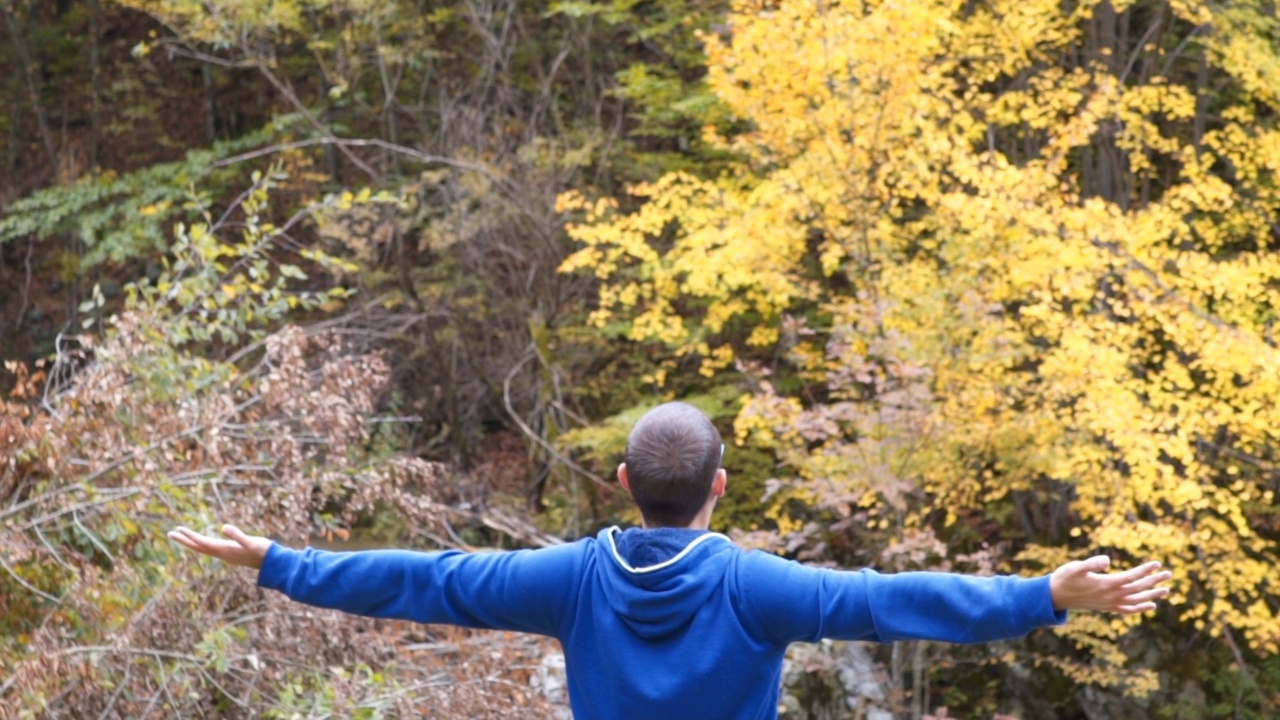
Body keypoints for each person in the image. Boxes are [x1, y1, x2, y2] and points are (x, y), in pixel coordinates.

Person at [168, 401, 1172, 720]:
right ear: (719, 488)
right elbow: (891, 602)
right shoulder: (757, 588)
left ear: (620, 480)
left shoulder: (567, 579)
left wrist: (282, 560)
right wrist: (1043, 593)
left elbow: (428, 577)